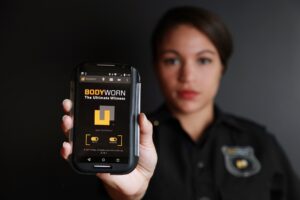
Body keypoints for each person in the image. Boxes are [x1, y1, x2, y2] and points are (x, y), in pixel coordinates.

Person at [61, 6, 300, 200]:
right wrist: (127, 198)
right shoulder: (128, 146)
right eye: (172, 60)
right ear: (156, 67)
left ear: (222, 67)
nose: (187, 76)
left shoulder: (261, 142)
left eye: (204, 60)